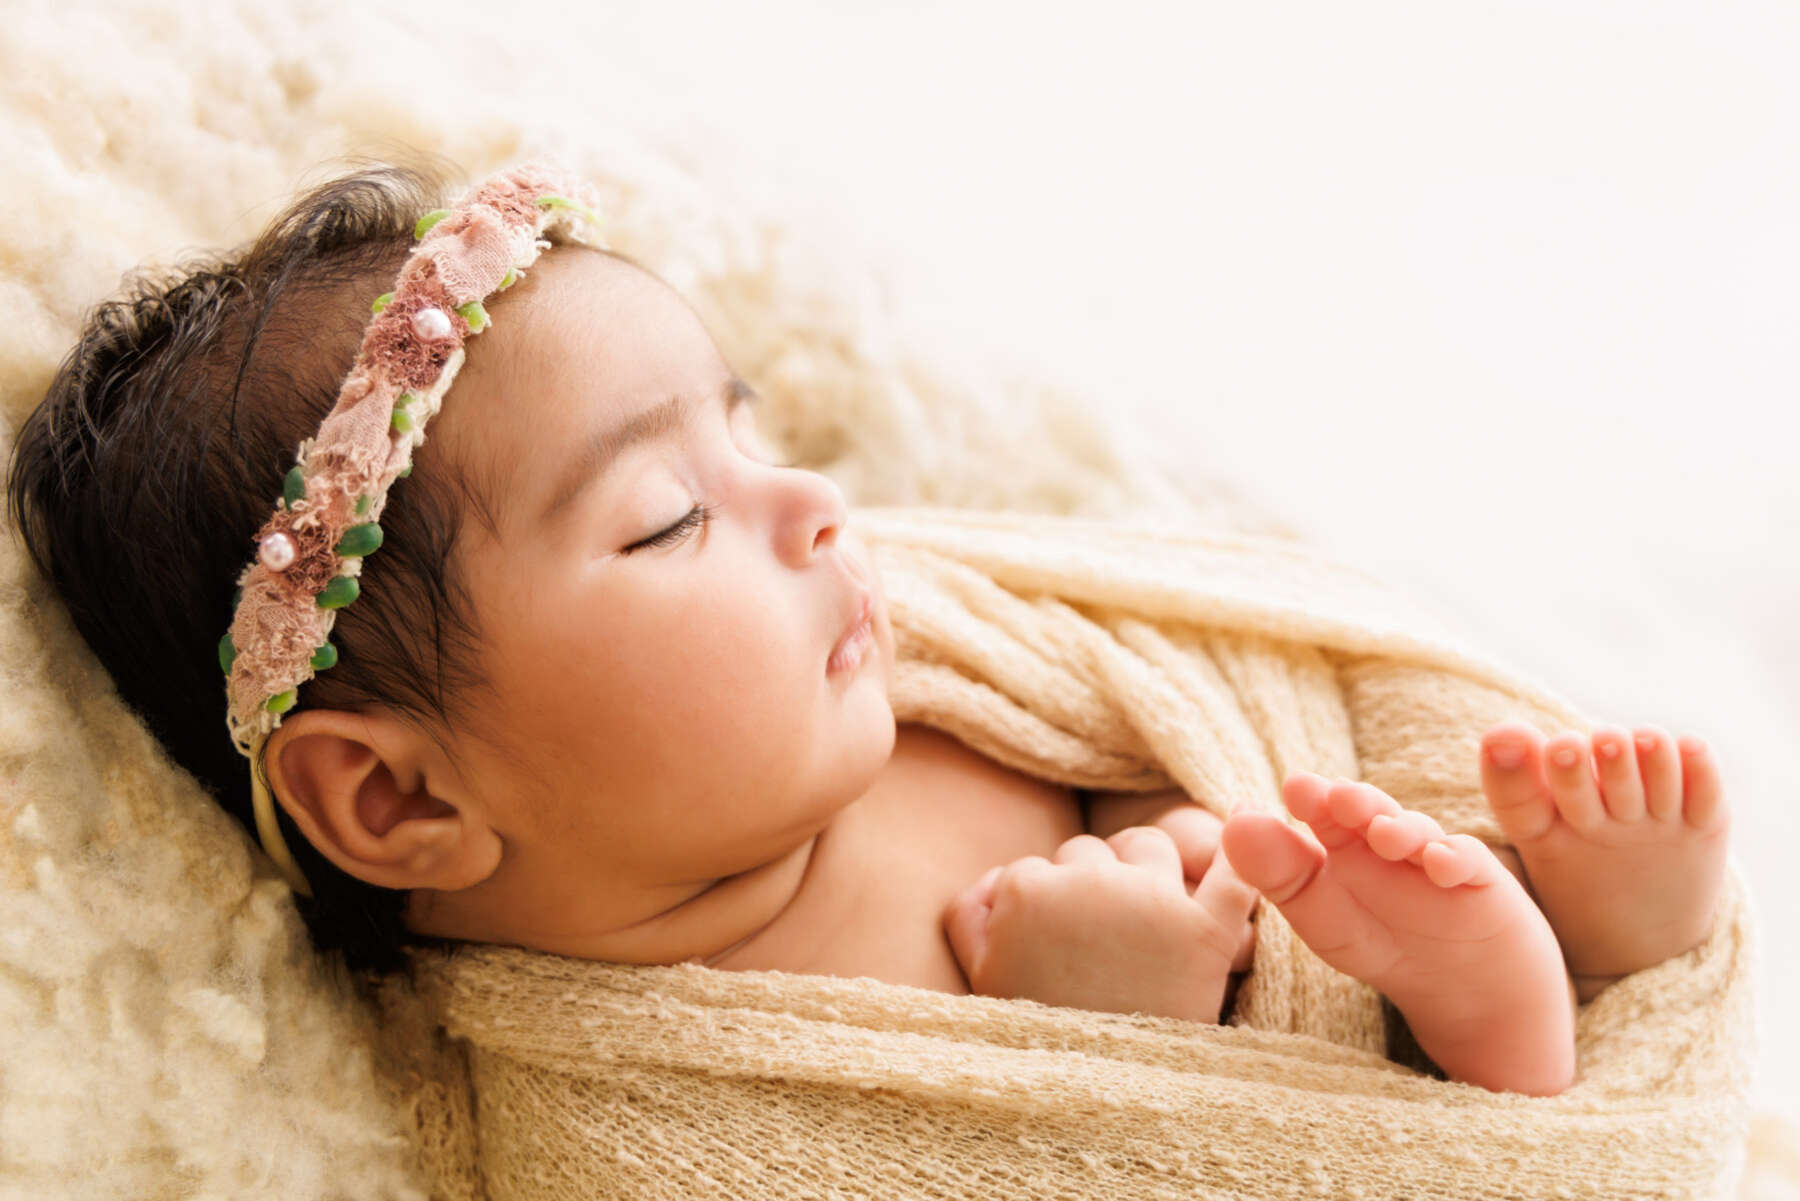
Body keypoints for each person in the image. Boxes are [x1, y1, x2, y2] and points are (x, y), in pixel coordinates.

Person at [3, 158, 1731, 1101]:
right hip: (1285, 1094)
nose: (816, 503)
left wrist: (1192, 830)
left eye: (747, 434)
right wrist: (1100, 1049)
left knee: (1412, 836)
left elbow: (1156, 685)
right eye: (670, 515)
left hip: (1332, 930)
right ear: (396, 803)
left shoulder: (894, 680)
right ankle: (1508, 1036)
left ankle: (1571, 941)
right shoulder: (673, 1095)